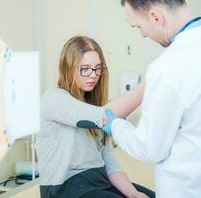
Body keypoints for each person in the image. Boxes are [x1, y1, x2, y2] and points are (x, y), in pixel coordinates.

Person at [102, 0, 201, 197]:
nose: (143, 34)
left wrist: (114, 126)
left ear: (156, 17)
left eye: (139, 26)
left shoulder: (168, 68)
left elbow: (149, 148)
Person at [36, 36, 155, 198]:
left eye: (98, 68)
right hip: (64, 188)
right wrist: (152, 80)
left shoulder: (93, 107)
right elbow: (105, 116)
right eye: (85, 69)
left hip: (99, 181)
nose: (93, 75)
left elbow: (110, 164)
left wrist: (133, 194)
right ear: (68, 68)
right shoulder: (53, 99)